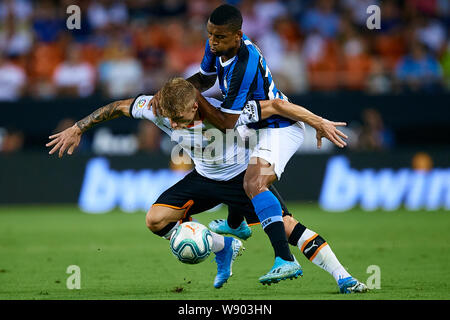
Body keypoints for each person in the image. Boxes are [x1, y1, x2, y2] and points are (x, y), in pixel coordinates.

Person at [46, 77, 367, 293]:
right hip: (203, 177)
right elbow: (117, 107)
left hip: (242, 180)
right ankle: (221, 245)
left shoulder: (225, 111)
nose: (176, 125)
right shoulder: (156, 107)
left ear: (195, 105)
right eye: (170, 120)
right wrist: (79, 127)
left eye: (182, 118)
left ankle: (344, 277)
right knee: (155, 219)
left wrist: (318, 122)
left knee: (288, 228)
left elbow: (278, 107)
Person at [150, 4, 348, 285]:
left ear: (238, 35)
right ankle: (236, 225)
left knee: (254, 183)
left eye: (218, 37)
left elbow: (239, 118)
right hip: (250, 124)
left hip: (277, 126)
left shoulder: (245, 62)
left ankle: (284, 259)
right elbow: (205, 79)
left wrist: (319, 122)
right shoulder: (217, 47)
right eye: (210, 35)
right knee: (238, 172)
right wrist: (173, 91)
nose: (212, 42)